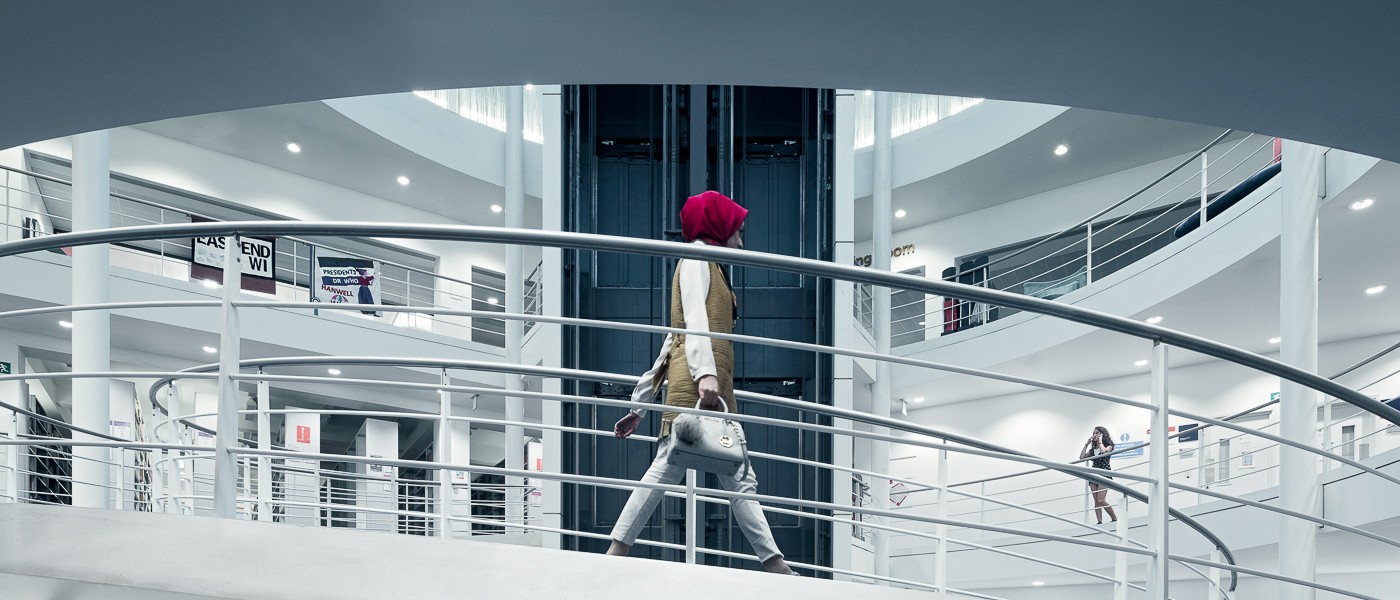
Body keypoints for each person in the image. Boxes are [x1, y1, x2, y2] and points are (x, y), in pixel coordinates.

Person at [606, 190, 795, 575]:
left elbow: (669, 342)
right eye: (737, 231)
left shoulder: (712, 267)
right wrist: (704, 373)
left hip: (712, 385)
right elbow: (690, 323)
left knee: (734, 475)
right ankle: (615, 553)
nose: (741, 240)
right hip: (701, 383)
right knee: (685, 470)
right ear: (718, 226)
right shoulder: (696, 258)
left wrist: (639, 406)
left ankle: (774, 563)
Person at [1079, 425, 1117, 524]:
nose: (1094, 435)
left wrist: (1100, 441)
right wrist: (1086, 444)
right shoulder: (1092, 450)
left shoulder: (1109, 445)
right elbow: (1081, 457)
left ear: (1102, 434)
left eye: (1097, 433)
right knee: (1096, 500)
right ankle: (1099, 522)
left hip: (1104, 473)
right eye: (1094, 433)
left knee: (1101, 499)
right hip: (1094, 474)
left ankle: (1114, 518)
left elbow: (1104, 451)